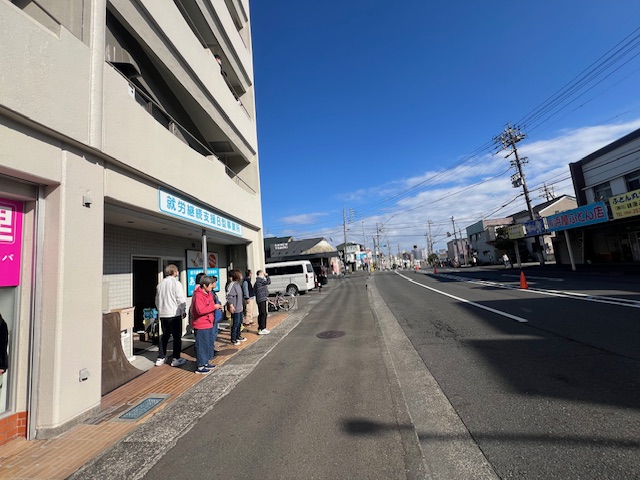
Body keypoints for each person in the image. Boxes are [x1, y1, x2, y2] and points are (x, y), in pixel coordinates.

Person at [155, 264, 187, 367]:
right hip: (174, 314)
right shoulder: (176, 283)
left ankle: (161, 357)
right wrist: (183, 310)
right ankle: (176, 358)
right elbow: (180, 299)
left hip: (163, 314)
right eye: (177, 271)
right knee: (177, 337)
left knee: (165, 336)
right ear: (174, 272)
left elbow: (157, 300)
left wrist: (160, 309)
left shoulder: (160, 284)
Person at [191, 275, 219, 374]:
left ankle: (205, 362)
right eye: (210, 285)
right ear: (204, 285)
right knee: (201, 345)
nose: (212, 286)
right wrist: (214, 307)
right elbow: (200, 310)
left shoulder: (209, 293)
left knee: (208, 344)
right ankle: (200, 366)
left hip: (209, 322)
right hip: (201, 324)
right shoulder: (198, 295)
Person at [226, 269, 245, 346]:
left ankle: (238, 336)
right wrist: (231, 305)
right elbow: (229, 296)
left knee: (240, 322)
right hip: (235, 308)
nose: (241, 276)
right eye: (240, 274)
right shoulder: (232, 285)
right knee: (235, 324)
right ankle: (233, 339)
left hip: (239, 307)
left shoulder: (238, 284)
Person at [254, 270, 271, 335]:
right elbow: (269, 282)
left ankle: (260, 328)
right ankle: (263, 328)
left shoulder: (256, 282)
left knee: (261, 313)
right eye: (263, 274)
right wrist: (267, 276)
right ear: (260, 274)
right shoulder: (260, 281)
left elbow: (254, 291)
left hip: (259, 299)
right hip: (262, 299)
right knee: (264, 313)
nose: (264, 275)